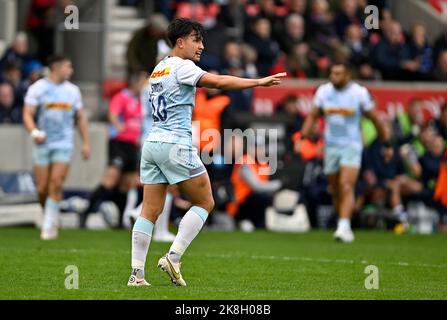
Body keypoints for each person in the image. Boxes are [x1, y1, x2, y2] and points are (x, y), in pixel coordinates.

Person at [127, 18, 286, 287]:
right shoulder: (182, 67)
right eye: (195, 40)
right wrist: (257, 82)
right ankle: (173, 257)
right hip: (175, 144)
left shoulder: (159, 68)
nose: (201, 46)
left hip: (152, 144)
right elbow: (219, 81)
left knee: (149, 210)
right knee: (205, 202)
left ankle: (136, 274)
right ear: (180, 42)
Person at [297, 62, 391, 243]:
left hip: (351, 145)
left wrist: (386, 144)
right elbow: (313, 116)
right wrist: (302, 138)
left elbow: (377, 120)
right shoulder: (324, 91)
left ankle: (344, 226)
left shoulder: (359, 93)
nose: (334, 77)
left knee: (346, 184)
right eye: (332, 73)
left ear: (348, 75)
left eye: (338, 74)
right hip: (330, 145)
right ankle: (343, 222)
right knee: (335, 189)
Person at [22, 54, 90, 240]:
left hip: (64, 142)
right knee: (42, 188)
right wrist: (34, 132)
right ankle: (50, 216)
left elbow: (80, 118)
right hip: (43, 142)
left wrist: (85, 143)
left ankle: (48, 227)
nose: (71, 70)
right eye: (68, 66)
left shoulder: (73, 91)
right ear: (56, 67)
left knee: (56, 182)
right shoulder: (38, 88)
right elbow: (27, 113)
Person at [80, 71, 147, 229]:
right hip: (119, 143)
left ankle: (119, 221)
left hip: (133, 145)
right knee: (110, 179)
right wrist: (118, 126)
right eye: (144, 82)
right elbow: (112, 114)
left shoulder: (142, 100)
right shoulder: (122, 97)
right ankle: (86, 212)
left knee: (128, 183)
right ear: (136, 82)